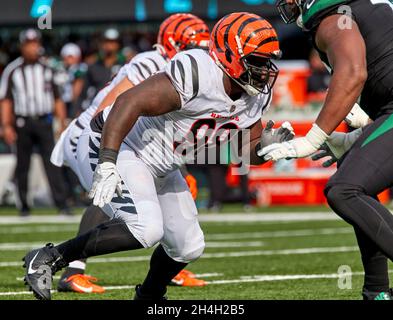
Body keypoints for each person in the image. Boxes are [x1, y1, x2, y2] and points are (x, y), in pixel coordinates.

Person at [22, 12, 295, 300]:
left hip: (164, 164)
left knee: (189, 246)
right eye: (258, 61)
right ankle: (48, 258)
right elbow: (127, 102)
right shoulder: (197, 71)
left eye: (268, 61)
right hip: (130, 147)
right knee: (146, 228)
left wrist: (266, 148)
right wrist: (107, 160)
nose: (265, 71)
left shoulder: (255, 94)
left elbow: (244, 150)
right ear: (229, 55)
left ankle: (149, 296)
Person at [50, 13, 210, 294]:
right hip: (93, 131)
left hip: (128, 138)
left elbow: (167, 131)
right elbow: (111, 111)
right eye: (192, 47)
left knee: (147, 196)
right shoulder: (152, 63)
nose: (199, 55)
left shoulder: (184, 71)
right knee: (108, 194)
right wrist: (108, 155)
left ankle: (173, 264)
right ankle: (71, 270)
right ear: (173, 45)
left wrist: (181, 171)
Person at [261, 0, 393, 300]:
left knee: (344, 189)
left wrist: (313, 139)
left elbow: (354, 72)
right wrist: (354, 138)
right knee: (353, 178)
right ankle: (377, 291)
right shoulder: (356, 11)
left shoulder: (333, 17)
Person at [0, 29, 70, 216]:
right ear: (22, 46)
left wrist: (61, 122)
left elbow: (58, 98)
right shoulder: (12, 70)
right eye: (29, 44)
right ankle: (23, 206)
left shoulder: (48, 69)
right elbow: (6, 100)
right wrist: (6, 125)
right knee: (23, 165)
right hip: (23, 122)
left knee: (53, 162)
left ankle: (62, 204)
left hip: (44, 121)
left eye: (35, 43)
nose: (33, 47)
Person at [81, 28, 125, 107]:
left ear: (118, 44)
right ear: (102, 43)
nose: (109, 45)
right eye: (106, 41)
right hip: (96, 109)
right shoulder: (93, 67)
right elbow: (83, 92)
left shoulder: (124, 66)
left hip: (117, 109)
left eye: (113, 42)